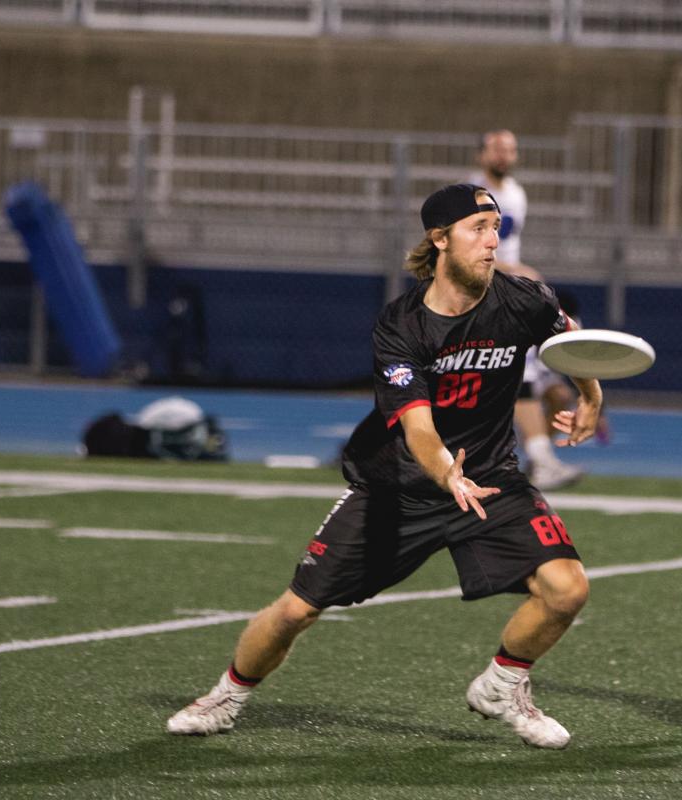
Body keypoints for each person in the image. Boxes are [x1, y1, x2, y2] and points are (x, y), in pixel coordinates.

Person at [167, 184, 604, 749]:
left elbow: (572, 341)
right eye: (478, 229)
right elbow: (418, 428)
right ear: (440, 239)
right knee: (295, 611)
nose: (493, 242)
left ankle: (503, 684)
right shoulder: (402, 325)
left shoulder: (526, 298)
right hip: (399, 488)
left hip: (492, 480)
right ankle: (225, 697)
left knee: (567, 590)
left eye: (496, 228)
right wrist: (446, 473)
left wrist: (590, 396)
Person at [467, 129, 584, 490]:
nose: (503, 155)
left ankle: (535, 458)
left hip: (507, 296)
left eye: (510, 149)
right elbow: (467, 252)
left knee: (538, 384)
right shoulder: (471, 195)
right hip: (477, 295)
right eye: (496, 149)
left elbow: (506, 248)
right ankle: (538, 461)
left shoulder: (516, 195)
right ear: (481, 154)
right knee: (507, 377)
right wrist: (516, 272)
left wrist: (515, 277)